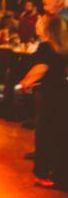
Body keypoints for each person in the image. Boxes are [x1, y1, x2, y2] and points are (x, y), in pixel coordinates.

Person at [19, 15, 68, 189]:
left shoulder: (45, 47)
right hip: (62, 93)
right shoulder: (63, 47)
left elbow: (41, 68)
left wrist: (25, 82)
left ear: (48, 29)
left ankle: (42, 173)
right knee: (59, 133)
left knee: (44, 133)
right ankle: (58, 172)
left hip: (47, 94)